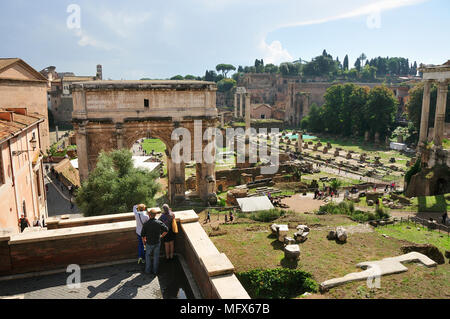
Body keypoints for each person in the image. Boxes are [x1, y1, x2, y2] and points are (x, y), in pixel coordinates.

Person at [141, 208, 168, 275]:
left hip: (149, 243)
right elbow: (166, 229)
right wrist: (161, 236)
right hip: (157, 242)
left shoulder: (146, 224)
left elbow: (143, 235)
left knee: (148, 256)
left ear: (149, 215)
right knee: (156, 257)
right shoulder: (159, 223)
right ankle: (155, 271)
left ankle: (148, 271)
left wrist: (144, 242)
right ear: (155, 215)